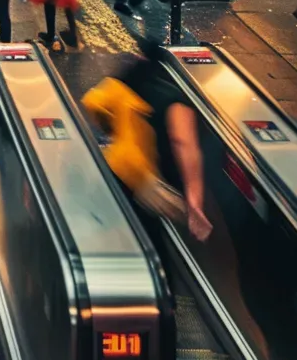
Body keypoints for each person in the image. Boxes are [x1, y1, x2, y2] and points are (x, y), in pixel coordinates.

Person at [83, 39, 212, 243]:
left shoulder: (131, 74)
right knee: (147, 237)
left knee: (118, 224)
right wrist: (195, 200)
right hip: (148, 180)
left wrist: (116, 132)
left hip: (120, 164)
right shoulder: (176, 96)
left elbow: (97, 103)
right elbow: (183, 142)